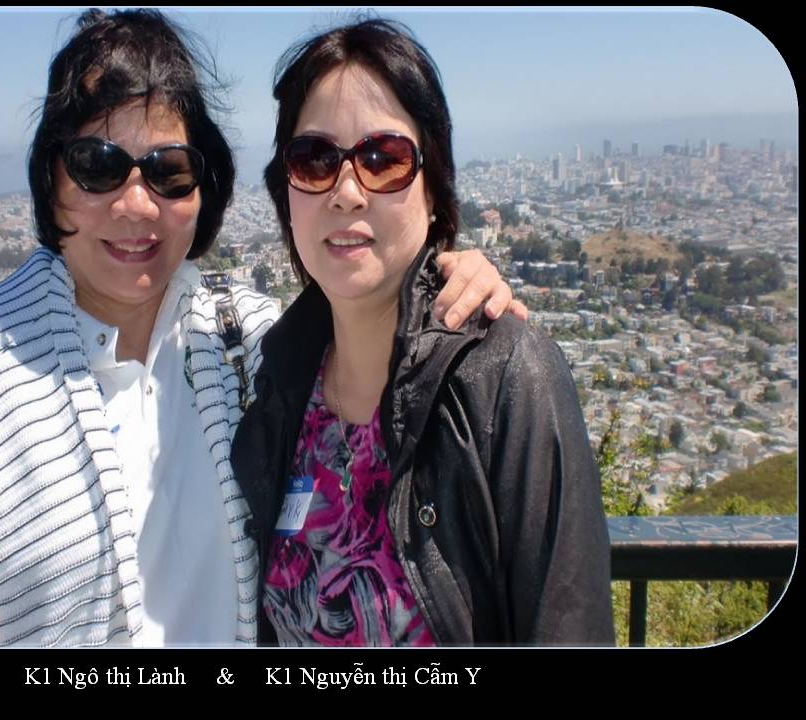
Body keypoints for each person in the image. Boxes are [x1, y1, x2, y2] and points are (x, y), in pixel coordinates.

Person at [0, 9, 523, 647]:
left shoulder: (253, 346)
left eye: (168, 172)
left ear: (204, 188)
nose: (135, 205)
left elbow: (370, 324)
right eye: (97, 166)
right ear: (51, 179)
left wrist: (447, 277)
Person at [231, 18, 614, 646]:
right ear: (286, 193)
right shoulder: (279, 380)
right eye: (315, 159)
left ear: (433, 188)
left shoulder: (507, 376)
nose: (347, 192)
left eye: (383, 159)